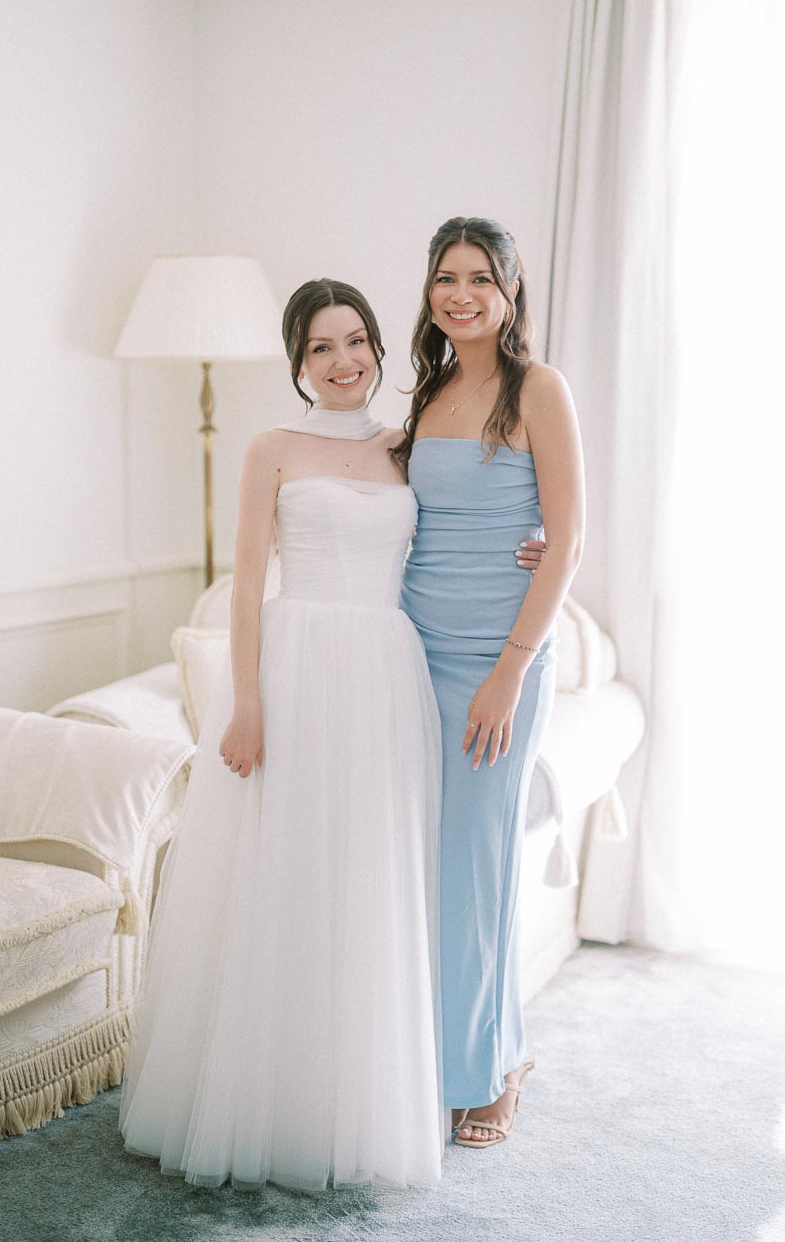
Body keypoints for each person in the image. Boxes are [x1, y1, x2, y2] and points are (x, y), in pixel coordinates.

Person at [119, 279, 446, 1191]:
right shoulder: (271, 447)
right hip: (297, 667)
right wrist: (247, 704)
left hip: (383, 673)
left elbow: (457, 541)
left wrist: (530, 546)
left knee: (365, 877)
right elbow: (248, 584)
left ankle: (349, 1102)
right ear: (299, 363)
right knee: (284, 874)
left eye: (357, 340)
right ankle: (261, 1103)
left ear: (378, 345)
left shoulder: (410, 446)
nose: (344, 361)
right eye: (321, 348)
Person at [396, 216, 585, 1147]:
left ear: (510, 294)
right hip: (414, 653)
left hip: (497, 660)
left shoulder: (538, 389)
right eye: (446, 276)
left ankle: (494, 1067)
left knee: (479, 865)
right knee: (426, 870)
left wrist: (510, 670)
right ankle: (442, 1057)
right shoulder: (425, 394)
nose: (461, 294)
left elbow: (569, 539)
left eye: (480, 278)